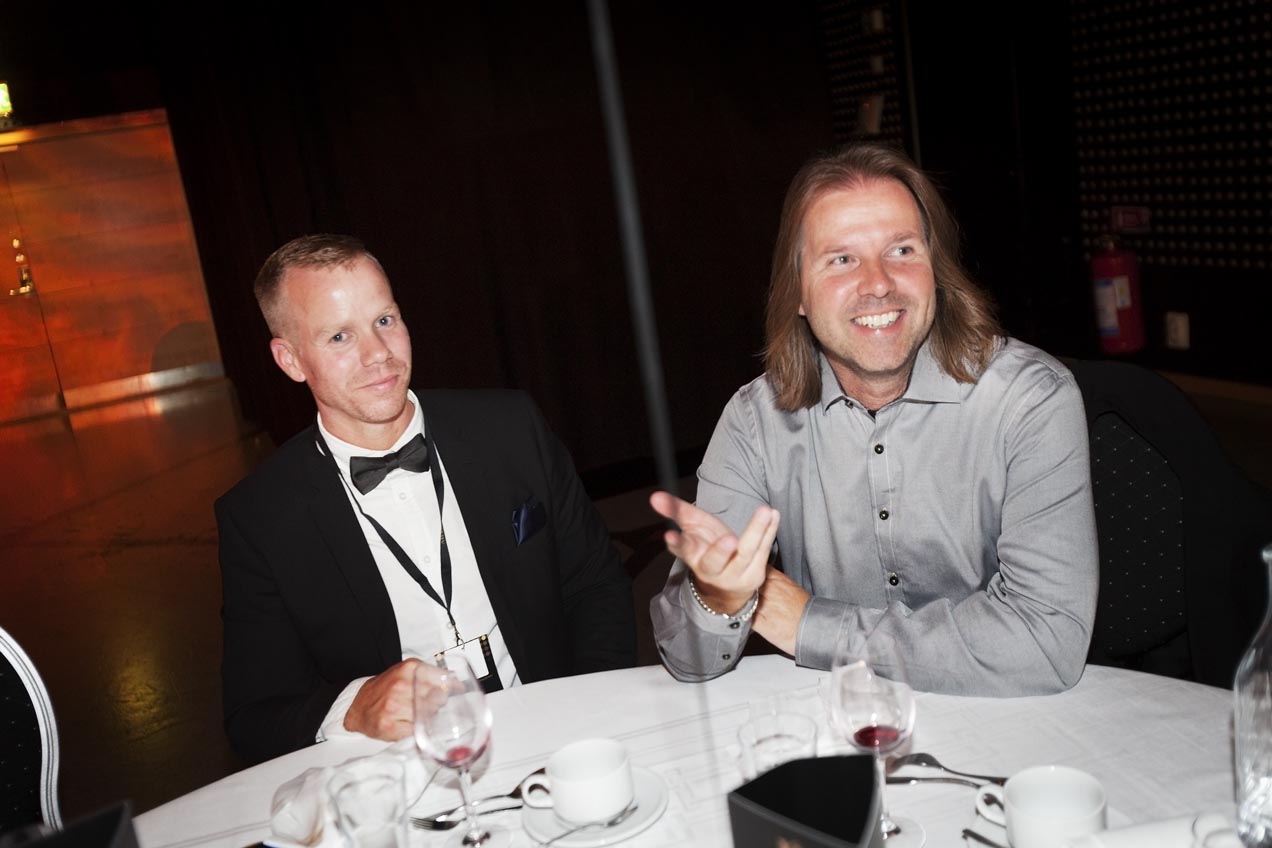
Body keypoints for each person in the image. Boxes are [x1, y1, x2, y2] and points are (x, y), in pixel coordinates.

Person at [649, 143, 1098, 696]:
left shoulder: (1030, 400)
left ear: (936, 271)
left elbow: (1045, 641)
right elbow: (687, 658)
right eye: (841, 259)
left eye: (902, 250)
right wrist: (719, 599)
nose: (879, 282)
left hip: (1003, 711)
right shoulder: (754, 422)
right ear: (798, 294)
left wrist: (809, 624)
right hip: (837, 720)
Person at [217, 234, 635, 763]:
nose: (378, 354)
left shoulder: (511, 427)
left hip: (559, 732)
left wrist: (588, 719)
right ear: (291, 359)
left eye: (384, 320)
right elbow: (255, 715)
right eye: (340, 336)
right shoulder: (259, 516)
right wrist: (353, 707)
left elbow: (596, 586)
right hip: (402, 770)